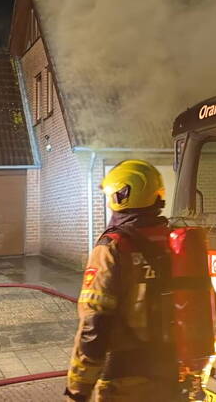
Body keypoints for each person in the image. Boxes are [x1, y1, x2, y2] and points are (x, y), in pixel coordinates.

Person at [65, 160, 179, 402]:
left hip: (126, 379)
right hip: (173, 373)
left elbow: (95, 324)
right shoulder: (177, 242)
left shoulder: (114, 246)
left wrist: (78, 388)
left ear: (121, 195)